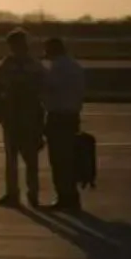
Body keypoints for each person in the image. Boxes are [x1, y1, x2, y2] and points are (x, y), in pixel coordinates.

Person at [0, 28, 46, 207]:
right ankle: (29, 194)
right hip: (22, 115)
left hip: (20, 114)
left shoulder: (14, 63)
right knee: (25, 158)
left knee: (20, 158)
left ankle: (18, 193)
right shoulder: (32, 64)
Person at [42, 36, 86, 211]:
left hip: (58, 116)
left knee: (59, 160)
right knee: (69, 158)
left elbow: (49, 87)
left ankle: (64, 197)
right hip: (72, 115)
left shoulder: (57, 68)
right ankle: (71, 197)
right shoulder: (75, 66)